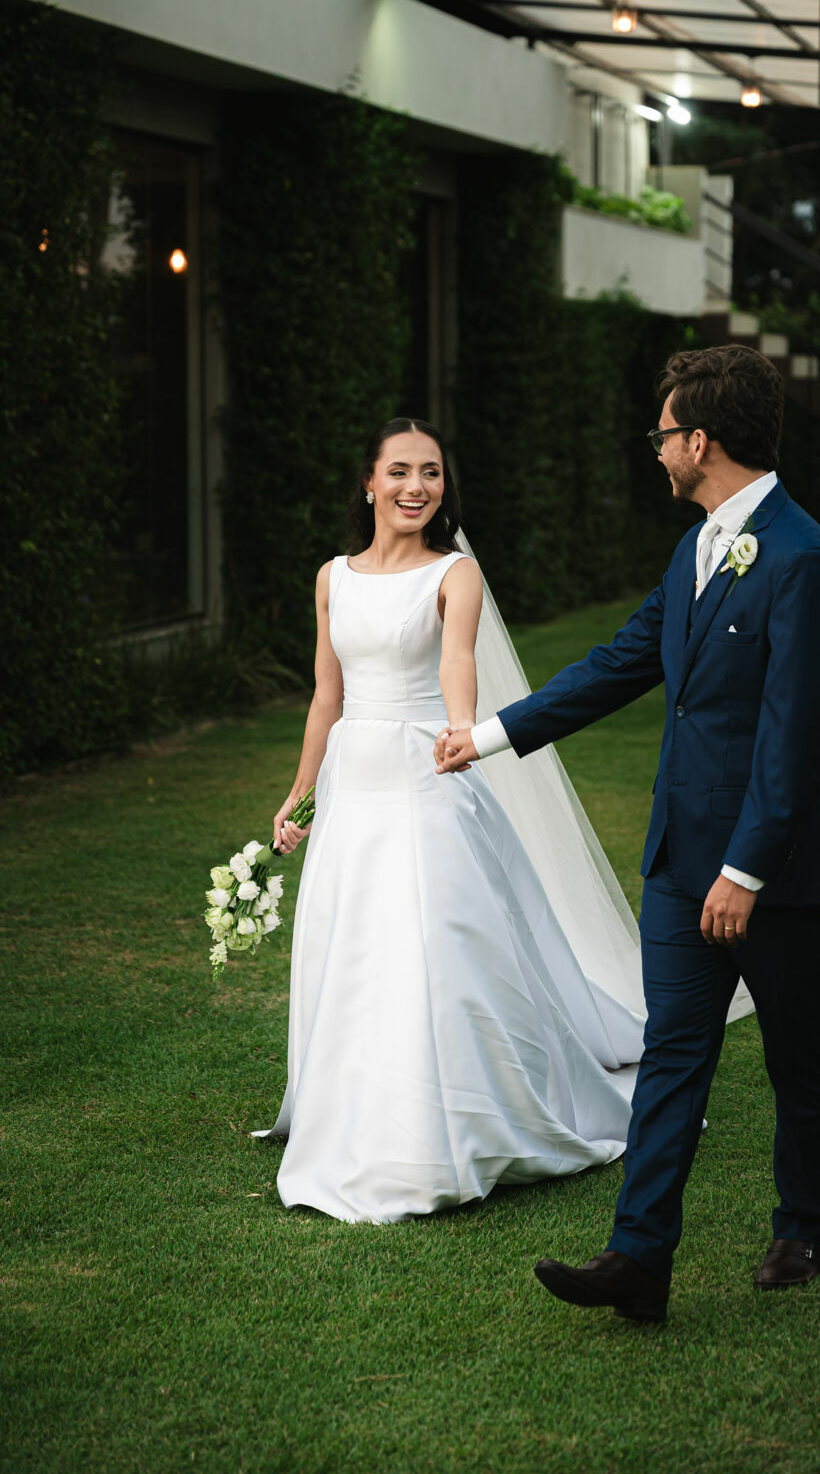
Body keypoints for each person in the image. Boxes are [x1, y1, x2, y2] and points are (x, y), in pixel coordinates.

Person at [436, 345, 820, 1321]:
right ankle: (637, 1258)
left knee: (799, 1052)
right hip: (680, 862)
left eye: (662, 433)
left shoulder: (805, 563)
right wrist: (489, 734)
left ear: (701, 441)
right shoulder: (695, 548)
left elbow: (795, 742)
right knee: (672, 1048)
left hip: (783, 874)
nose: (656, 450)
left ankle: (804, 1219)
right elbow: (620, 660)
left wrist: (745, 868)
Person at [254, 417, 671, 1224]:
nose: (417, 488)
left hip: (423, 771)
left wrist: (461, 730)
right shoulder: (331, 577)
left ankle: (457, 1119)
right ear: (369, 484)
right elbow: (327, 693)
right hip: (355, 780)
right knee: (356, 943)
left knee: (436, 941)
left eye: (433, 473)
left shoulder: (455, 573)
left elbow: (456, 661)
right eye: (401, 472)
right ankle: (352, 1109)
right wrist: (301, 790)